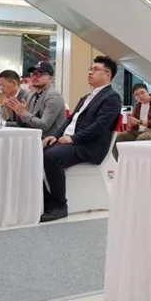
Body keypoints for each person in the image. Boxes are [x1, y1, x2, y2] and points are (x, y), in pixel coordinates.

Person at [41, 56, 122, 222]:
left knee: (51, 157)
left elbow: (100, 126)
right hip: (71, 142)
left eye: (95, 69)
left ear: (107, 75)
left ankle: (60, 205)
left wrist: (73, 139)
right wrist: (55, 136)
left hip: (88, 146)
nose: (90, 72)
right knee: (34, 152)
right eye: (90, 69)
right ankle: (46, 200)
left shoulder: (112, 98)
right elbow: (69, 120)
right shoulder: (86, 97)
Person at [5, 61, 68, 138]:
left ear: (50, 78)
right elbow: (24, 125)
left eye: (39, 74)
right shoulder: (32, 95)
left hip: (49, 140)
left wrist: (23, 113)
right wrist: (16, 113)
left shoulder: (53, 97)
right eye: (33, 74)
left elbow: (44, 126)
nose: (34, 77)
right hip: (33, 138)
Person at [113, 83, 151, 160]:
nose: (140, 96)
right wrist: (131, 123)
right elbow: (133, 123)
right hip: (136, 131)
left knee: (142, 138)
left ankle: (137, 164)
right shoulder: (137, 106)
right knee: (117, 138)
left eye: (142, 93)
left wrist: (138, 122)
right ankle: (122, 162)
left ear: (148, 92)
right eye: (137, 95)